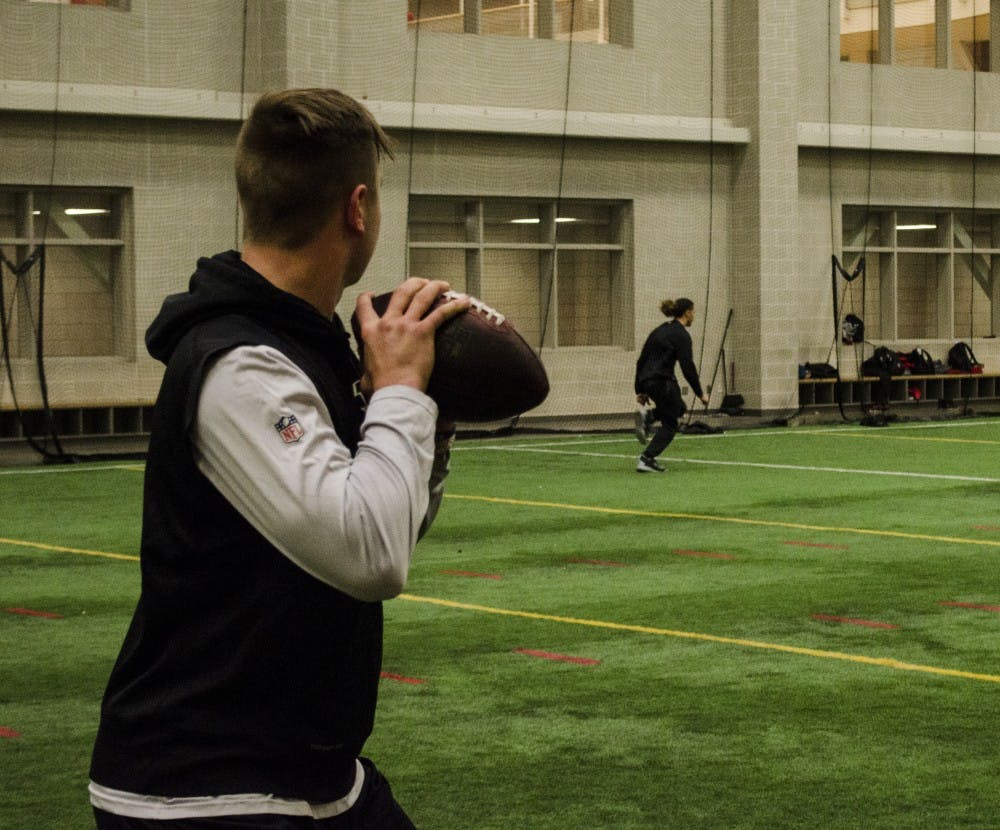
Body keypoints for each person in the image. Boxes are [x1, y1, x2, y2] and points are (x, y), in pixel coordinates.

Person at [89, 88, 470, 828]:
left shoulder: (307, 345)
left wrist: (433, 424)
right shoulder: (239, 363)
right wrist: (398, 392)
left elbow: (375, 520)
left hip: (314, 772)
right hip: (203, 789)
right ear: (359, 208)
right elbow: (370, 557)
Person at [633, 297, 709, 473]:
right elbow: (687, 367)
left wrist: (640, 389)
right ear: (687, 313)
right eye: (694, 312)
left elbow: (641, 361)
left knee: (679, 407)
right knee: (671, 423)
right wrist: (700, 394)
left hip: (648, 380)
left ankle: (649, 417)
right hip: (663, 381)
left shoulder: (659, 331)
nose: (694, 316)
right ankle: (647, 459)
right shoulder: (681, 335)